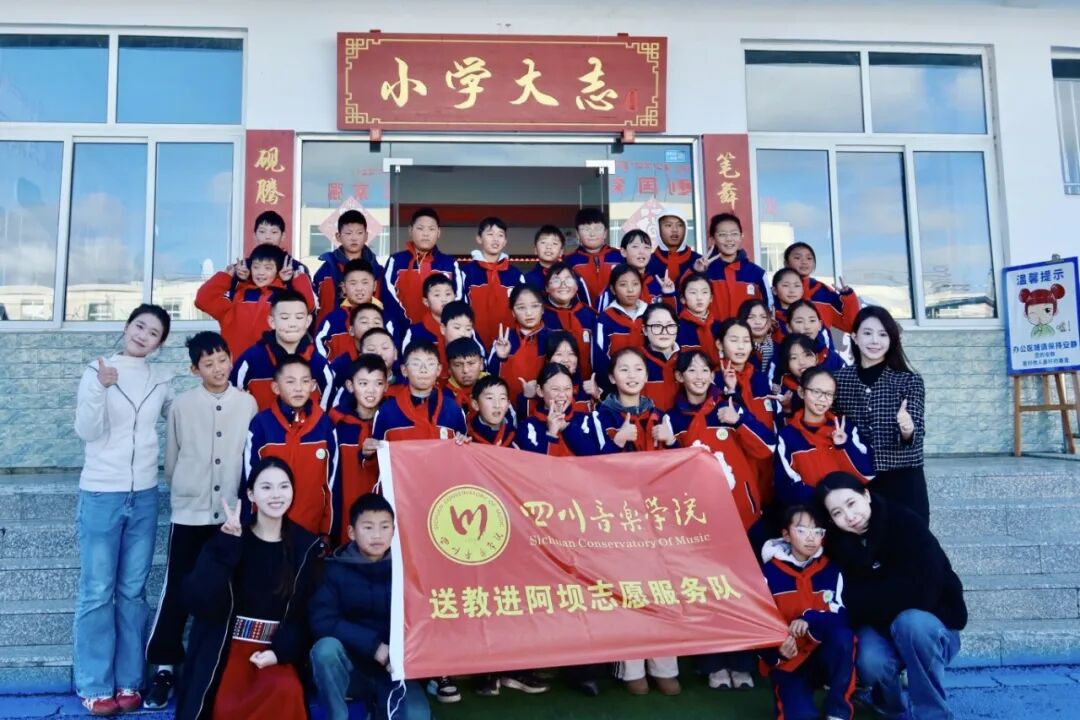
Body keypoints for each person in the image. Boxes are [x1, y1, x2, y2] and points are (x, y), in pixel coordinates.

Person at [144, 332, 258, 710]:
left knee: (229, 591)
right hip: (190, 512)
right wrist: (185, 489)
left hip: (230, 513)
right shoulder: (182, 405)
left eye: (222, 360)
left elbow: (249, 456)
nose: (218, 368)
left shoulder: (247, 403)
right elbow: (172, 459)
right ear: (195, 370)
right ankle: (164, 666)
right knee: (177, 588)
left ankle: (222, 666)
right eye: (208, 364)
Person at [73, 304, 175, 716]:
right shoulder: (96, 370)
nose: (142, 335)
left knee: (133, 591)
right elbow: (86, 430)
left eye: (153, 333)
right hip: (102, 493)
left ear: (159, 343)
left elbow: (182, 419)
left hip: (145, 495)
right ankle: (94, 684)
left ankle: (129, 679)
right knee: (98, 590)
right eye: (139, 326)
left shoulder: (160, 379)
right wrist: (100, 389)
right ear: (126, 326)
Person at [175, 458, 325, 720]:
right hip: (227, 650)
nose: (276, 495)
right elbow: (198, 601)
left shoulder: (305, 547)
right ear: (251, 494)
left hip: (274, 651)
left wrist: (280, 652)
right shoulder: (233, 537)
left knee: (285, 690)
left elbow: (305, 615)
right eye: (266, 487)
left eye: (284, 486)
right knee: (224, 704)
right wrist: (226, 545)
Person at [817, 472, 966, 720]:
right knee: (869, 659)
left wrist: (872, 599)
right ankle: (889, 706)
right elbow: (847, 601)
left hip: (932, 625)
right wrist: (887, 595)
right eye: (837, 513)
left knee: (911, 623)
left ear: (866, 495)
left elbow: (925, 590)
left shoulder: (904, 523)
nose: (850, 516)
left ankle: (933, 714)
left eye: (851, 503)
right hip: (880, 629)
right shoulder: (837, 546)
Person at [309, 494, 432, 720]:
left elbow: (425, 616)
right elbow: (323, 620)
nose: (377, 535)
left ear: (394, 530)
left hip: (395, 670)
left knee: (417, 714)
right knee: (325, 650)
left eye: (385, 527)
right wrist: (374, 647)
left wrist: (404, 654)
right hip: (351, 669)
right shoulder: (333, 569)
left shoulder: (408, 569)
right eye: (368, 527)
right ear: (351, 532)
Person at [667, 349, 773, 553]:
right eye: (692, 370)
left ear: (712, 375)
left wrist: (739, 422)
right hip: (700, 516)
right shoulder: (671, 420)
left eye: (705, 370)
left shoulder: (730, 408)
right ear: (679, 376)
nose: (700, 377)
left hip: (743, 512)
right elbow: (673, 474)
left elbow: (767, 448)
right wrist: (671, 443)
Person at [759, 505, 856, 720]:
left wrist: (809, 619)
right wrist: (778, 651)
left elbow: (842, 617)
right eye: (802, 530)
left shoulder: (832, 570)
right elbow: (758, 626)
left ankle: (838, 710)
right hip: (790, 661)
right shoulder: (767, 574)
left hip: (823, 654)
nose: (811, 538)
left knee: (843, 636)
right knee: (800, 715)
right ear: (786, 534)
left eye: (818, 531)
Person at [833, 306, 929, 523]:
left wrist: (907, 428)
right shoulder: (839, 380)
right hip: (859, 479)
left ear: (892, 339)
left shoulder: (909, 380)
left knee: (911, 539)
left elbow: (916, 435)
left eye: (883, 334)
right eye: (867, 333)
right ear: (854, 337)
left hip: (904, 479)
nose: (875, 341)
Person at [243, 354, 340, 541]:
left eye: (305, 381)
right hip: (267, 532)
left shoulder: (325, 425)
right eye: (290, 382)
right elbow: (248, 480)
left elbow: (332, 482)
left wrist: (327, 531)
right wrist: (250, 528)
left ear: (313, 386)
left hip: (311, 529)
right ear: (276, 387)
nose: (298, 388)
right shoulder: (261, 425)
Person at [195, 242, 316, 361]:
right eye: (256, 267)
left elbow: (308, 306)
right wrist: (228, 276)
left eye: (268, 268)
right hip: (236, 368)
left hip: (273, 369)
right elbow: (203, 300)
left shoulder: (284, 298)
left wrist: (296, 279)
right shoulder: (236, 298)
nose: (261, 272)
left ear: (278, 271)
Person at [775, 367, 874, 507]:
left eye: (829, 394)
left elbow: (868, 474)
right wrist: (826, 502)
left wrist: (844, 446)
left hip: (850, 512)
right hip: (814, 513)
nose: (823, 399)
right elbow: (786, 486)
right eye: (816, 392)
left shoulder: (845, 427)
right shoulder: (787, 436)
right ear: (801, 392)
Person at [230, 289, 333, 412]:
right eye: (285, 318)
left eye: (299, 317)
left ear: (308, 321)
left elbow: (327, 411)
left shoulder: (319, 364)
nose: (292, 324)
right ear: (272, 322)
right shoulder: (251, 359)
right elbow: (233, 402)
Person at [331, 354, 388, 547]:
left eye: (378, 383)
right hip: (345, 506)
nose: (371, 390)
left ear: (386, 386)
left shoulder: (393, 420)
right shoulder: (336, 423)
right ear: (350, 385)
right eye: (363, 383)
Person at [371, 339, 467, 441]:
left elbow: (463, 447)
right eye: (416, 364)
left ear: (439, 370)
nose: (423, 370)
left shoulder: (453, 409)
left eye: (430, 363)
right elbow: (377, 448)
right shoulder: (387, 411)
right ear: (404, 370)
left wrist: (463, 442)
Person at [383, 207, 462, 326]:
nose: (426, 234)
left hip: (441, 331)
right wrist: (406, 327)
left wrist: (444, 326)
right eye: (420, 228)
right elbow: (387, 296)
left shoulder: (450, 263)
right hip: (403, 331)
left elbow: (458, 298)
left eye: (431, 229)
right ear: (410, 230)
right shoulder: (396, 261)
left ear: (438, 233)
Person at [514, 362, 607, 456]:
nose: (562, 395)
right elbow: (535, 463)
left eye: (567, 388)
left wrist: (567, 428)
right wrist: (551, 434)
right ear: (540, 391)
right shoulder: (527, 426)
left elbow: (594, 457)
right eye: (555, 389)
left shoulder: (586, 420)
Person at [595, 347, 677, 455]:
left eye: (638, 369)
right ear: (612, 378)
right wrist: (618, 442)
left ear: (646, 376)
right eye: (624, 370)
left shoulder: (661, 417)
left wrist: (671, 442)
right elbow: (594, 462)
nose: (632, 375)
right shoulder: (600, 418)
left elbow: (680, 461)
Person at [460, 216, 526, 348]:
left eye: (500, 235)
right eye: (490, 234)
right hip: (473, 344)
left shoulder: (516, 275)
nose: (496, 239)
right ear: (479, 238)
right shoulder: (466, 272)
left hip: (508, 344)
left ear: (505, 241)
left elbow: (523, 309)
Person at [313, 209, 383, 326]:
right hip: (333, 330)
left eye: (359, 233)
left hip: (369, 329)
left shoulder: (378, 271)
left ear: (366, 236)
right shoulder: (326, 271)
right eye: (348, 233)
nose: (354, 238)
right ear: (338, 236)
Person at [696, 213, 769, 321]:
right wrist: (697, 272)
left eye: (734, 234)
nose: (729, 239)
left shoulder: (757, 274)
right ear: (712, 239)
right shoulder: (704, 270)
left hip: (747, 332)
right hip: (712, 332)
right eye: (722, 234)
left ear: (741, 236)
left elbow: (769, 310)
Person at [488, 284, 549, 403]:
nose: (529, 313)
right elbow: (489, 378)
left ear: (542, 309)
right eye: (521, 308)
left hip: (543, 407)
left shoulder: (552, 338)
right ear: (513, 312)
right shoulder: (503, 340)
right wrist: (501, 357)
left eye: (534, 306)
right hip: (506, 407)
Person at [784, 242, 860, 333]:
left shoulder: (825, 293)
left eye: (809, 258)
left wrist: (848, 297)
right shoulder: (778, 292)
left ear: (814, 264)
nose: (804, 262)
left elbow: (851, 326)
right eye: (797, 258)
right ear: (786, 263)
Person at [592, 264, 648, 388]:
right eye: (623, 285)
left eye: (635, 284)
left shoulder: (650, 314)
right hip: (615, 387)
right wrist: (609, 389)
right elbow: (599, 358)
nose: (630, 290)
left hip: (648, 384)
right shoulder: (604, 319)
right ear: (613, 289)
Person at [314, 260, 382, 360]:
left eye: (365, 283)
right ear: (344, 288)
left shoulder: (385, 316)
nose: (359, 288)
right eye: (353, 283)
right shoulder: (332, 320)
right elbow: (319, 351)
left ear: (375, 286)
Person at [542, 261, 598, 380]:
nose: (563, 285)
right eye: (556, 280)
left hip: (587, 384)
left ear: (576, 286)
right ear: (547, 287)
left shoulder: (590, 315)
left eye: (568, 280)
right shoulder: (540, 315)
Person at [597, 229, 677, 311]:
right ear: (623, 252)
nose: (642, 252)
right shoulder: (616, 283)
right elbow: (603, 315)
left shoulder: (658, 283)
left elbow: (671, 316)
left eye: (646, 247)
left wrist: (668, 294)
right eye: (635, 246)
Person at [564, 207, 622, 309]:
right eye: (586, 229)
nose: (592, 234)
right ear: (577, 234)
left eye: (597, 228)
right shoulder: (569, 261)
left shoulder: (619, 257)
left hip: (616, 314)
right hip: (581, 315)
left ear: (605, 233)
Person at [523, 224, 590, 306]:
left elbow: (585, 306)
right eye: (543, 242)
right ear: (535, 250)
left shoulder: (573, 277)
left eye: (554, 243)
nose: (548, 247)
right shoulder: (526, 279)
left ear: (561, 251)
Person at [640, 303, 681, 412]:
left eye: (670, 326)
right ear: (644, 330)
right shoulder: (636, 361)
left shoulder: (689, 360)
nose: (664, 331)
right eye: (657, 326)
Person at [676, 271, 721, 367]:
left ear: (711, 298)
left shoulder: (720, 327)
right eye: (693, 293)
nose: (699, 298)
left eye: (704, 292)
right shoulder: (677, 327)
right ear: (683, 299)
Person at [646, 207, 701, 284]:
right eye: (668, 225)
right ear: (658, 229)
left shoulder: (699, 261)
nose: (675, 229)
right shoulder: (647, 262)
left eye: (680, 225)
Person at [251, 210, 309, 276]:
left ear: (283, 236)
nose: (268, 237)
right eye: (262, 231)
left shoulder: (297, 268)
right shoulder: (245, 268)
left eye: (274, 232)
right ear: (254, 235)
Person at [466, 375, 517, 447]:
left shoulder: (515, 435)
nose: (497, 405)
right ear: (476, 404)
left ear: (507, 405)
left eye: (502, 398)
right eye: (490, 398)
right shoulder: (466, 433)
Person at [446, 336, 488, 411]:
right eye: (458, 365)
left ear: (481, 364)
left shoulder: (492, 387)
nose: (465, 370)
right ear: (449, 369)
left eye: (471, 363)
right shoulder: (444, 396)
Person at [738, 298, 775, 375]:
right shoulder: (739, 349)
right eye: (751, 317)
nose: (758, 322)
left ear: (770, 321)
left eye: (763, 317)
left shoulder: (777, 347)